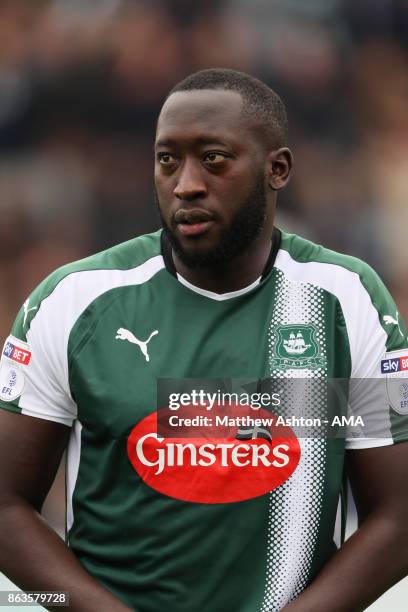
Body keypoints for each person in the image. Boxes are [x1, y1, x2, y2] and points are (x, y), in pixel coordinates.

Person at [0, 68, 407, 612]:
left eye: (213, 158)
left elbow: (399, 512)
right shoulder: (75, 301)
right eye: (168, 159)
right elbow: (5, 506)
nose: (185, 183)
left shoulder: (346, 297)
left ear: (277, 169)